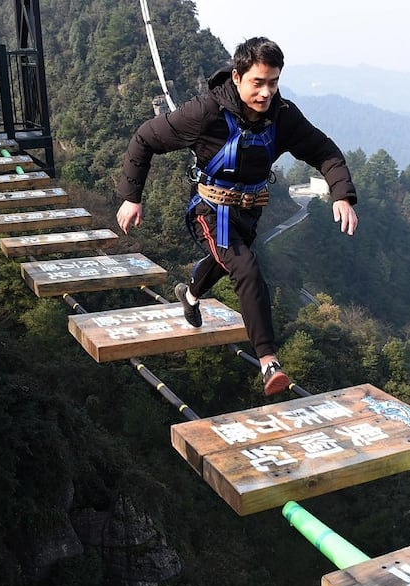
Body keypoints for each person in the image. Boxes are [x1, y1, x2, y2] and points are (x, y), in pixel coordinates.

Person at [116, 37, 359, 396]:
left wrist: (342, 195)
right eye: (257, 83)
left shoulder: (282, 116)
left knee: (223, 262)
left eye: (273, 82)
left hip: (249, 211)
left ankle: (190, 295)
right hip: (209, 210)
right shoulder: (206, 113)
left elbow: (323, 150)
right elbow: (145, 138)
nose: (266, 92)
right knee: (245, 267)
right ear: (237, 76)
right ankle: (269, 363)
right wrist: (130, 198)